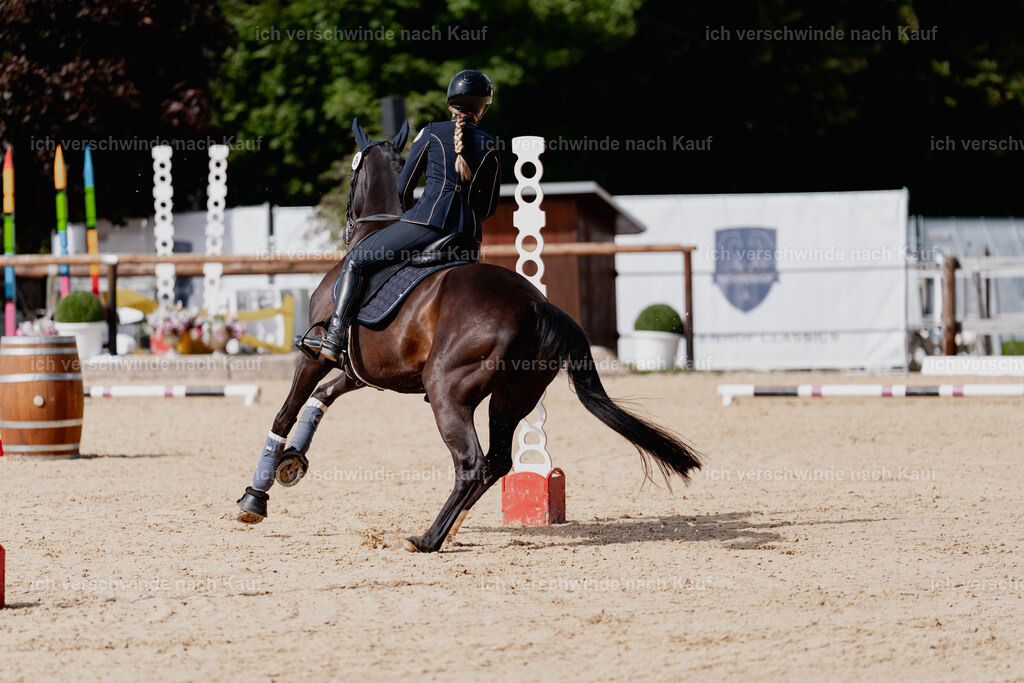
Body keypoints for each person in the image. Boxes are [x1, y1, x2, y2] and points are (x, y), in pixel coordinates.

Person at [316, 69, 502, 365]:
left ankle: (335, 336)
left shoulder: (431, 132)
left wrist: (410, 216)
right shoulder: (491, 145)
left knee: (357, 260)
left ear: (450, 103)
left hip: (427, 224)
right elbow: (489, 205)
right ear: (483, 106)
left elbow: (403, 188)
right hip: (467, 239)